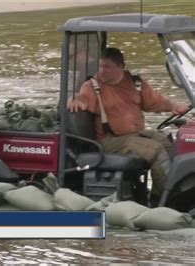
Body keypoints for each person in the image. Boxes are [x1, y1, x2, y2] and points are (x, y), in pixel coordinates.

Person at [67, 47, 188, 202]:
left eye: (107, 67)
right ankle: (175, 198)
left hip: (134, 135)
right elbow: (82, 98)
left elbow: (155, 102)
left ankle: (158, 198)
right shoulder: (92, 86)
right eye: (101, 66)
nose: (102, 71)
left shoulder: (135, 82)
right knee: (154, 150)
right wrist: (75, 100)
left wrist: (173, 106)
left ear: (121, 67)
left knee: (166, 142)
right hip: (109, 141)